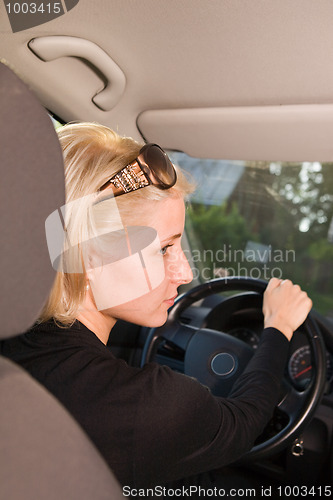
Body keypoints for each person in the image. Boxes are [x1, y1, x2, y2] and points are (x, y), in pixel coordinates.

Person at [1, 123, 312, 491]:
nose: (186, 272)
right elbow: (244, 423)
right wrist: (278, 327)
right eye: (165, 248)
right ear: (85, 257)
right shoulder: (144, 407)